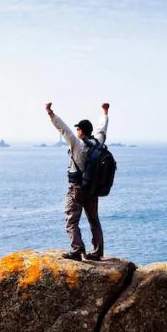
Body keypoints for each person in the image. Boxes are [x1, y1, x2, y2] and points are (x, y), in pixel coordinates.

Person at [46, 101, 109, 261]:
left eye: (78, 129)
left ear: (81, 131)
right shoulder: (97, 142)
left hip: (77, 188)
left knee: (71, 218)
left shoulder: (77, 144)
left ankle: (77, 250)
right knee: (94, 220)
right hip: (92, 188)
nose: (76, 131)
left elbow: (63, 128)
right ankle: (97, 252)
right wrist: (105, 112)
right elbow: (102, 129)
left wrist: (51, 113)